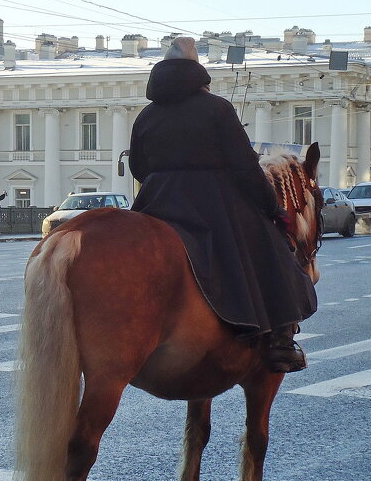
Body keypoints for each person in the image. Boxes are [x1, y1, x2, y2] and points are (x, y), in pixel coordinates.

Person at [127, 36, 317, 373]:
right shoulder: (216, 108)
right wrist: (273, 207)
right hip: (212, 203)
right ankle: (280, 340)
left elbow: (138, 167)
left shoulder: (146, 115)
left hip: (156, 201)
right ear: (198, 72)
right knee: (273, 250)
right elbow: (244, 166)